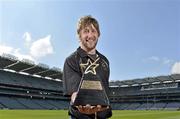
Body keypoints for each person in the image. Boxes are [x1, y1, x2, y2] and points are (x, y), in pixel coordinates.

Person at [63, 15, 112, 119]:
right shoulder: (71, 60)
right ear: (79, 35)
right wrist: (81, 102)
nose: (90, 35)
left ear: (98, 34)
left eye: (93, 31)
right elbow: (74, 92)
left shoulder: (105, 61)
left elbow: (104, 91)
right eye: (86, 31)